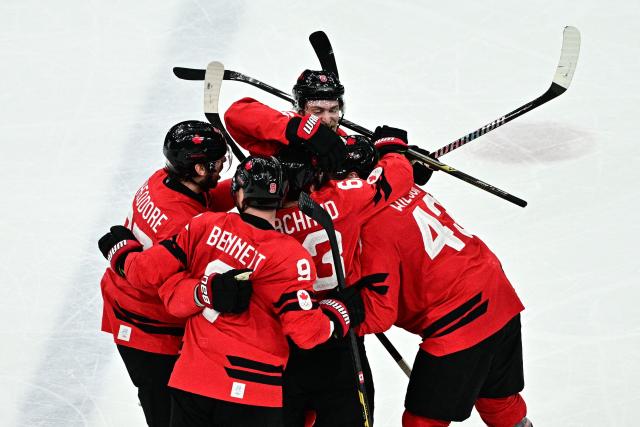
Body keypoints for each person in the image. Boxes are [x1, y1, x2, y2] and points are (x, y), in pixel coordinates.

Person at [99, 155, 354, 427]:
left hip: (192, 380)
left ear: (240, 193)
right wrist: (338, 315)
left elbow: (159, 286)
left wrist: (122, 254)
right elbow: (306, 334)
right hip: (253, 390)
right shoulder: (292, 255)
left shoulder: (203, 225)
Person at [337, 140, 532, 427]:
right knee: (497, 400)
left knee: (421, 422)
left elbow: (380, 312)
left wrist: (333, 317)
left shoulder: (370, 228)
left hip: (459, 319)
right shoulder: (404, 185)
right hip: (496, 291)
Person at [98, 120, 235, 427]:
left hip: (130, 305)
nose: (221, 167)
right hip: (147, 326)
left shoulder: (165, 179)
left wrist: (244, 185)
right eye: (216, 163)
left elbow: (208, 203)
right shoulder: (181, 223)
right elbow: (180, 283)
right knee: (166, 413)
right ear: (199, 169)